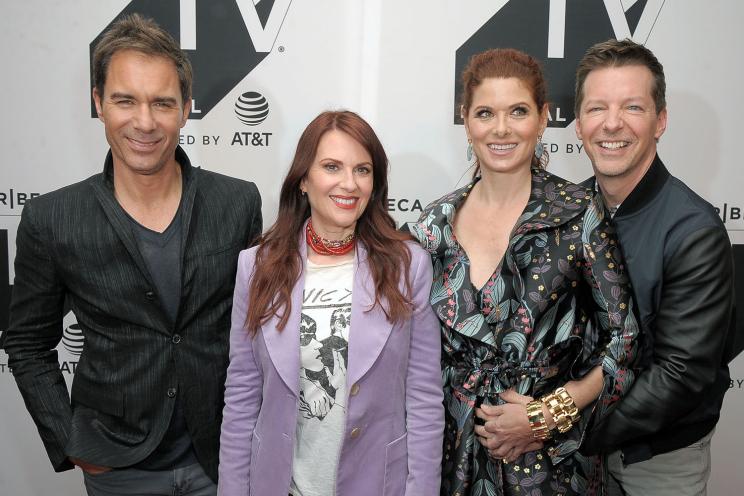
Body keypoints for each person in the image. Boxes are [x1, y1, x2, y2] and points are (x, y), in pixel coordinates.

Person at [2, 14, 262, 495]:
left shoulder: (238, 203)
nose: (145, 122)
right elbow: (26, 345)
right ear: (98, 102)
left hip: (222, 458)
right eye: (126, 100)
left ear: (186, 109)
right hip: (118, 469)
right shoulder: (51, 219)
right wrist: (70, 440)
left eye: (162, 103)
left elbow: (255, 332)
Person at [408, 48, 640, 495]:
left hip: (551, 462)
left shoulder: (578, 214)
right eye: (485, 113)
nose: (501, 128)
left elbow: (625, 341)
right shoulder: (429, 229)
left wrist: (546, 415)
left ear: (542, 118)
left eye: (517, 111)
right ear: (466, 120)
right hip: (449, 458)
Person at [217, 110, 444, 496]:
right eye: (332, 166)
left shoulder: (408, 267)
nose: (349, 183)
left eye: (362, 170)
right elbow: (241, 396)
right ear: (304, 179)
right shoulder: (256, 267)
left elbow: (423, 399)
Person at [574, 39, 736, 496]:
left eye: (632, 107)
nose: (612, 123)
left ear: (660, 120)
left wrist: (570, 429)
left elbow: (680, 375)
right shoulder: (565, 212)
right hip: (576, 453)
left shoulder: (694, 230)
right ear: (578, 122)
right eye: (596, 108)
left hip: (658, 459)